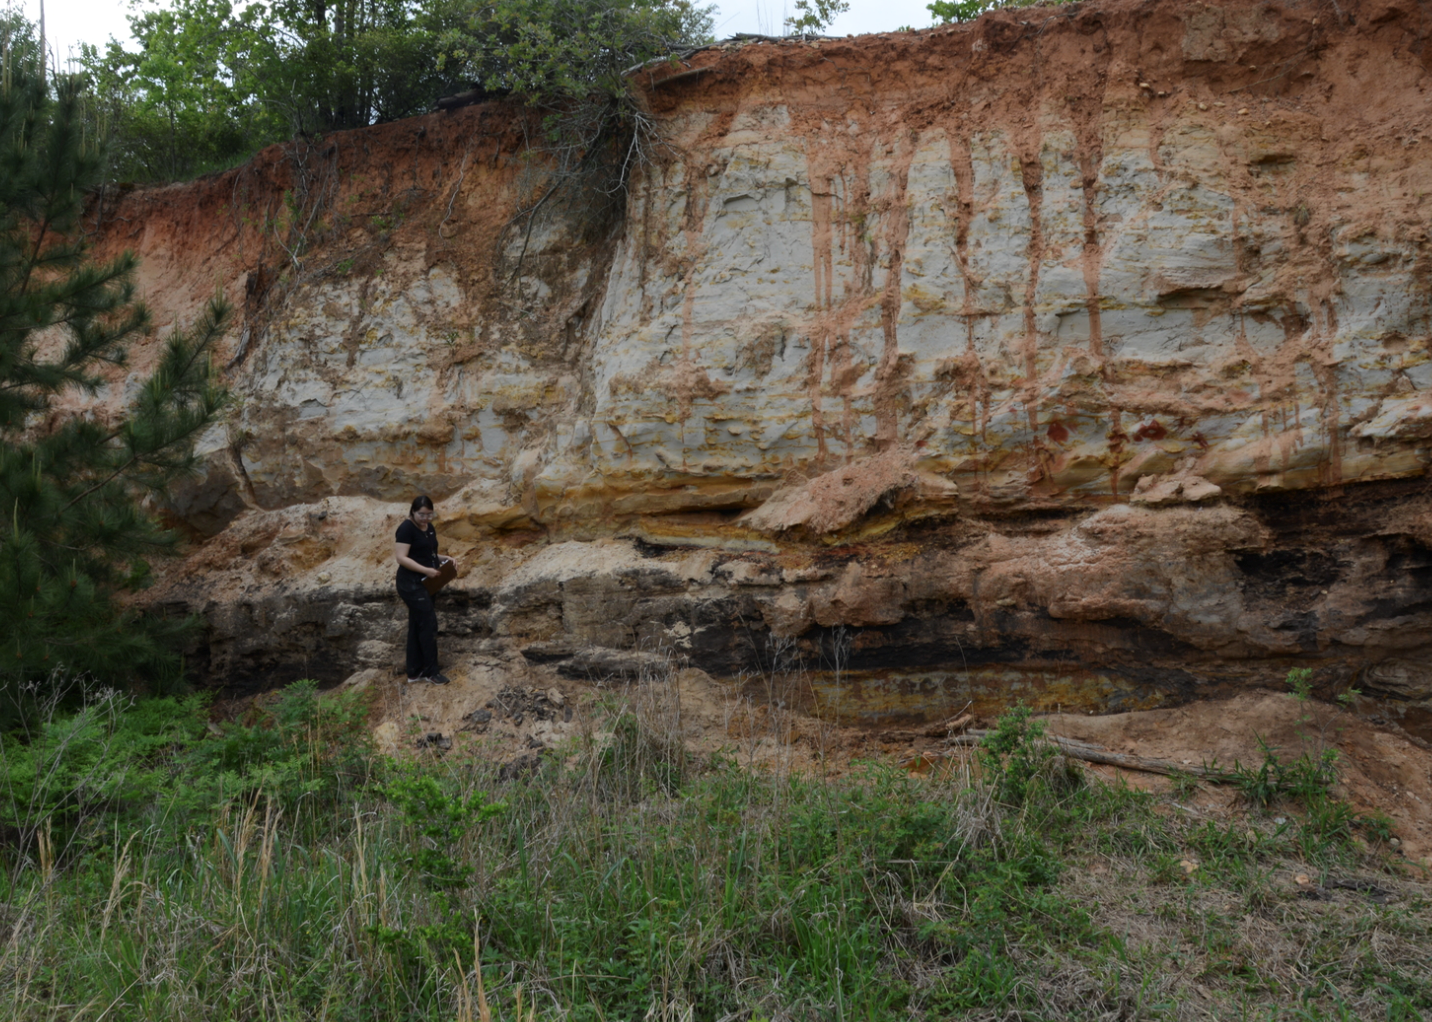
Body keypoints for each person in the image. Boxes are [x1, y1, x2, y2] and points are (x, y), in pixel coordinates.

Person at [394, 495, 454, 684]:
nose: (425, 518)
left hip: (426, 583)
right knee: (428, 624)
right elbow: (401, 558)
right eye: (421, 514)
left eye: (429, 514)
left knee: (417, 624)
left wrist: (447, 559)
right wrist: (426, 570)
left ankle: (414, 672)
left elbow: (429, 554)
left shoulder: (429, 528)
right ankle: (430, 672)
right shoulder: (405, 529)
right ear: (412, 511)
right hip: (411, 584)